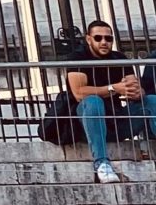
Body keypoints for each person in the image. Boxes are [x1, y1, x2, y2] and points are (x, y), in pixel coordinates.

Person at [65, 20, 156, 185]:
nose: (104, 42)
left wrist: (136, 91)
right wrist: (114, 88)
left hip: (115, 121)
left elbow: (133, 85)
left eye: (108, 38)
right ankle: (102, 163)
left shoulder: (118, 58)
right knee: (93, 101)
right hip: (85, 126)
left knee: (151, 100)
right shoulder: (78, 58)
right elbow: (79, 93)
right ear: (88, 39)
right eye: (98, 38)